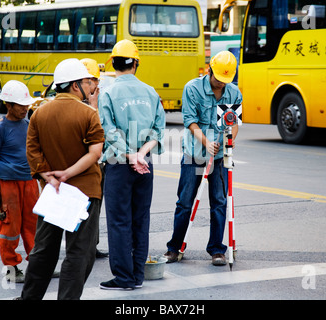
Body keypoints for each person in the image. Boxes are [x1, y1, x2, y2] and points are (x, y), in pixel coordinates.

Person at [20, 58, 104, 300]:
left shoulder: (39, 113)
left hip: (53, 191)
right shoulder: (88, 113)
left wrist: (49, 176)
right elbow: (95, 153)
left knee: (44, 249)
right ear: (75, 85)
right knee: (79, 252)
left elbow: (32, 151)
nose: (89, 87)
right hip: (85, 193)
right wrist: (67, 174)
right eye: (86, 82)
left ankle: (30, 297)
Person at [164, 51, 242, 266]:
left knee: (219, 202)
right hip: (194, 154)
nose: (221, 85)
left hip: (220, 157)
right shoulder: (192, 88)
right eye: (218, 79)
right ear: (210, 71)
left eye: (226, 81)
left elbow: (233, 123)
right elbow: (190, 121)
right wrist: (207, 143)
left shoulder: (234, 93)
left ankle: (217, 249)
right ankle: (175, 248)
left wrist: (229, 141)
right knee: (185, 202)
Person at [98, 39, 165, 290]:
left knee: (119, 221)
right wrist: (141, 154)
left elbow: (109, 131)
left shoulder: (109, 93)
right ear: (135, 64)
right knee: (140, 219)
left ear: (113, 63)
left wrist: (129, 156)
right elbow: (159, 130)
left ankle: (123, 278)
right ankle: (137, 276)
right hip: (145, 164)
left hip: (119, 165)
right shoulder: (150, 92)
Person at [0, 80, 39, 283]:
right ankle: (11, 268)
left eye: (27, 105)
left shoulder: (29, 125)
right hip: (8, 185)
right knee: (10, 227)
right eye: (21, 105)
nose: (25, 109)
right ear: (8, 105)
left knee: (33, 225)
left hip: (30, 183)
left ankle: (37, 265)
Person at [80, 57, 109, 259]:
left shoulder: (97, 99)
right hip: (81, 165)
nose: (97, 85)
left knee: (96, 205)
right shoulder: (78, 104)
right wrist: (93, 106)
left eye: (98, 80)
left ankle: (93, 244)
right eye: (94, 80)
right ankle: (82, 246)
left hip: (98, 163)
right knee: (82, 206)